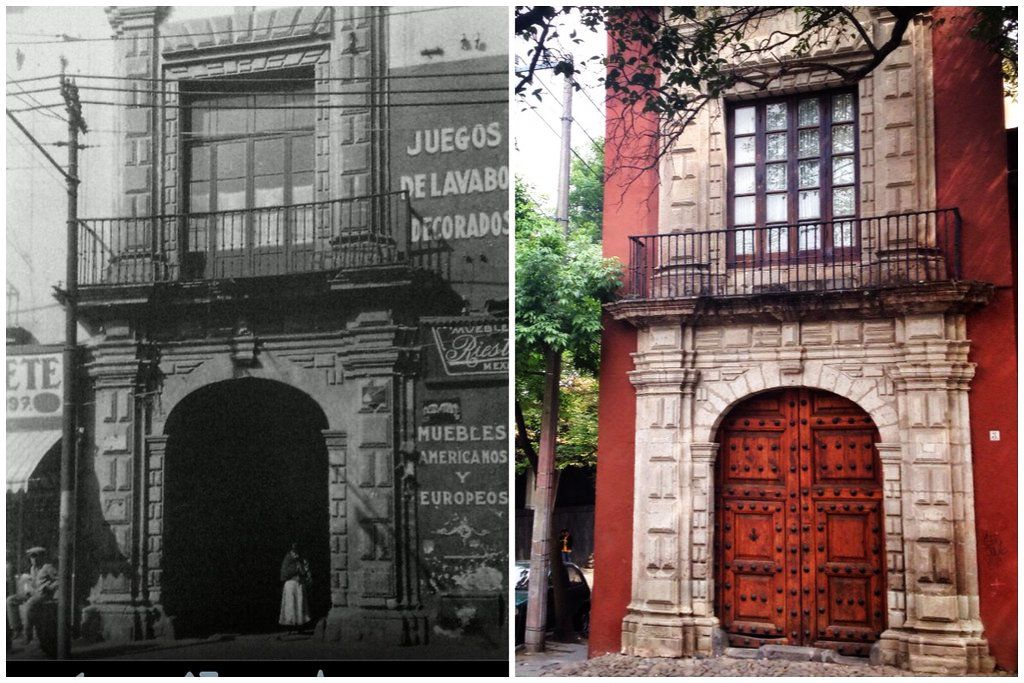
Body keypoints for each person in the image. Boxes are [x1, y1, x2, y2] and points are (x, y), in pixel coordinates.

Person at [6, 547, 57, 644]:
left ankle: (27, 635)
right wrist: (27, 587)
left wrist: (50, 587)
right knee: (10, 600)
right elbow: (34, 583)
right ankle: (17, 628)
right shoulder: (32, 568)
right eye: (31, 557)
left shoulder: (47, 567)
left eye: (35, 556)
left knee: (29, 605)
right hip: (33, 593)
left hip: (44, 595)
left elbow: (59, 580)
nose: (32, 559)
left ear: (42, 556)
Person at [278, 542, 311, 632]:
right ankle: (290, 626)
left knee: (300, 605)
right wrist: (295, 569)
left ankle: (300, 625)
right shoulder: (288, 558)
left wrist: (303, 570)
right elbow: (284, 572)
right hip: (291, 584)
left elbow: (305, 571)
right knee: (291, 606)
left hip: (299, 584)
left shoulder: (302, 558)